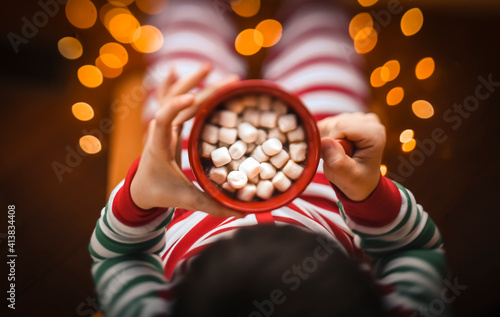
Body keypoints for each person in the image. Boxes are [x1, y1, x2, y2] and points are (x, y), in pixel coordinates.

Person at [89, 1, 449, 316]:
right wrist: (369, 194)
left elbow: (117, 258)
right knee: (321, 35)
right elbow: (417, 250)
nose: (258, 215)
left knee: (186, 42)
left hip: (181, 179)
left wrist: (140, 198)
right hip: (330, 174)